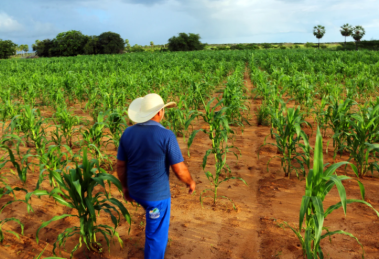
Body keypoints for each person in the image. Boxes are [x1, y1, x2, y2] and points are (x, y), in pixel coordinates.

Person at [117, 93, 196, 259]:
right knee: (156, 236)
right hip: (155, 198)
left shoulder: (127, 133)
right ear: (160, 112)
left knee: (151, 217)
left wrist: (125, 187)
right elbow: (179, 169)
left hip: (135, 191)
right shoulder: (166, 136)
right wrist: (190, 182)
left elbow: (121, 166)